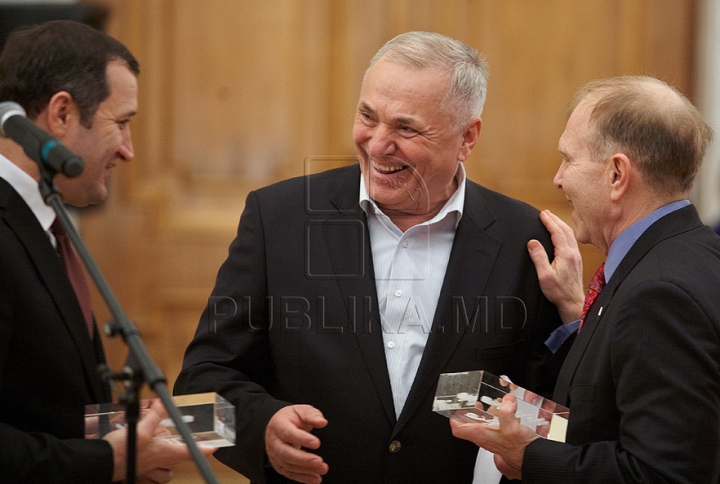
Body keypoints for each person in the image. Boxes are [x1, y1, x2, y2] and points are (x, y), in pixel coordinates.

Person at [174, 31, 579, 484]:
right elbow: (196, 388)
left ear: (468, 137)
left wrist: (574, 319)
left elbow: (563, 415)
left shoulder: (525, 241)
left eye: (406, 128)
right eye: (367, 116)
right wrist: (259, 430)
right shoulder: (278, 219)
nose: (377, 143)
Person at [450, 76, 720, 483]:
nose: (558, 179)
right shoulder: (685, 254)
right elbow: (609, 415)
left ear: (617, 175)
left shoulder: (659, 294)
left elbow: (662, 473)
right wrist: (577, 314)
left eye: (569, 160)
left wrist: (529, 457)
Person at [0, 20, 213, 483]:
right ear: (61, 115)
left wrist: (133, 436)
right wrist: (110, 461)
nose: (129, 151)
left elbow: (37, 404)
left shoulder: (46, 221)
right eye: (122, 123)